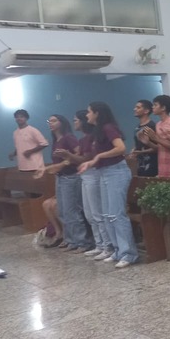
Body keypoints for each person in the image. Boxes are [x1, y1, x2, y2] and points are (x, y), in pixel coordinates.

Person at [79, 102, 138, 268]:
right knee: (107, 215)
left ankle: (128, 254)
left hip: (116, 172)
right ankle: (117, 250)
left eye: (89, 112)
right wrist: (91, 162)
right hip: (104, 173)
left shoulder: (108, 127)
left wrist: (99, 157)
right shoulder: (98, 131)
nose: (87, 115)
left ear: (97, 113)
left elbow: (120, 148)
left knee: (117, 214)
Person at [57, 110, 112, 260]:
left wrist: (68, 155)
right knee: (89, 214)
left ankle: (107, 246)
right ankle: (99, 245)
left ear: (83, 121)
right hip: (85, 176)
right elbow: (79, 158)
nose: (74, 122)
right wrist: (68, 157)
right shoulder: (82, 139)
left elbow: (86, 158)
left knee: (97, 213)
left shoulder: (92, 137)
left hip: (93, 175)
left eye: (76, 120)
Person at [45, 114, 92, 253]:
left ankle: (82, 241)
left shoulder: (68, 137)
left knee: (72, 211)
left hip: (71, 177)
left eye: (54, 121)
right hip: (60, 177)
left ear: (61, 122)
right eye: (49, 121)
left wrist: (65, 160)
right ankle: (71, 240)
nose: (50, 123)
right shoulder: (56, 140)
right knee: (62, 211)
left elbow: (79, 155)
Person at [143, 95, 170, 178]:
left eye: (155, 105)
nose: (152, 107)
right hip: (163, 166)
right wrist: (148, 142)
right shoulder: (158, 124)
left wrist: (156, 139)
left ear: (163, 108)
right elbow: (161, 147)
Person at [130, 100, 158, 177]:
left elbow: (157, 147)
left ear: (146, 111)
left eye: (138, 107)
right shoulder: (138, 127)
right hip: (140, 164)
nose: (135, 109)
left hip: (151, 165)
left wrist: (141, 152)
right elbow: (138, 143)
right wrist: (134, 150)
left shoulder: (151, 126)